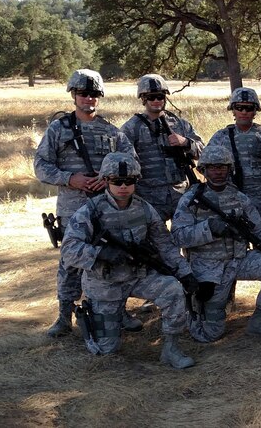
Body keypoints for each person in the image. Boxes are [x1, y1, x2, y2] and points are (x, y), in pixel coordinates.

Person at [60, 152, 198, 368]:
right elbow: (68, 249)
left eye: (129, 181)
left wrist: (184, 272)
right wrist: (100, 254)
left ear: (136, 181)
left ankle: (171, 348)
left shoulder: (144, 208)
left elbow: (165, 245)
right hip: (105, 283)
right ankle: (92, 320)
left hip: (138, 275)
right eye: (117, 181)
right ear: (105, 181)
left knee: (172, 289)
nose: (123, 186)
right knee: (106, 350)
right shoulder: (91, 211)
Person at [34, 69, 142, 337]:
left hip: (107, 207)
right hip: (73, 208)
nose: (88, 99)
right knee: (71, 263)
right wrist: (71, 179)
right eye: (83, 93)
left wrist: (108, 181)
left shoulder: (111, 132)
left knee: (116, 259)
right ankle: (63, 317)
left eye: (93, 94)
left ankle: (119, 311)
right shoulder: (59, 129)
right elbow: (41, 165)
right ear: (73, 95)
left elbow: (133, 163)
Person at [171, 145, 261, 342]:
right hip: (208, 266)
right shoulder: (191, 199)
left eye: (222, 167)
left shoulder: (239, 198)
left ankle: (258, 321)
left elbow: (259, 231)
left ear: (229, 169)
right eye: (212, 167)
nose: (218, 172)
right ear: (203, 170)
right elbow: (177, 236)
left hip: (239, 259)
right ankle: (192, 310)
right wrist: (209, 228)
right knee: (210, 335)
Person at [207, 87, 261, 317]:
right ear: (232, 110)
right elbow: (207, 164)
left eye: (249, 108)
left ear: (256, 111)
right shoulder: (221, 137)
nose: (244, 112)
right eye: (239, 108)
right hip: (230, 199)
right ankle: (226, 297)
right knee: (229, 248)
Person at [120, 74, 205, 221]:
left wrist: (185, 142)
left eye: (160, 96)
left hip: (181, 193)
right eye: (151, 97)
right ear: (143, 99)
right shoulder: (132, 127)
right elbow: (121, 161)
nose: (156, 101)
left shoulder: (181, 124)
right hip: (148, 196)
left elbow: (203, 152)